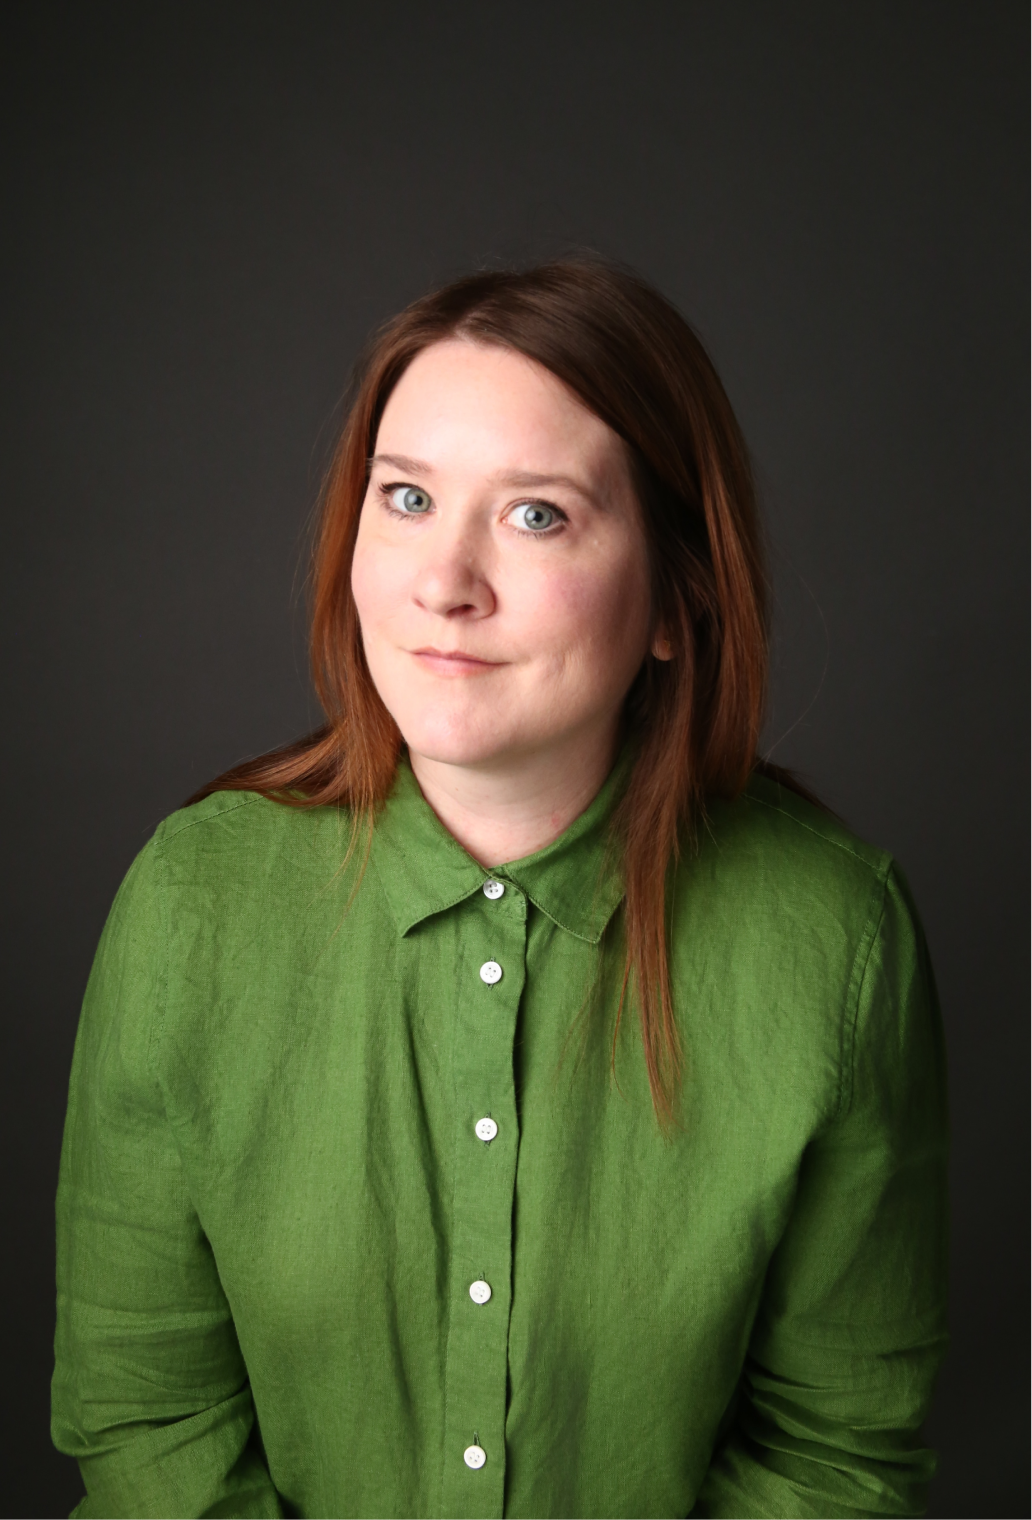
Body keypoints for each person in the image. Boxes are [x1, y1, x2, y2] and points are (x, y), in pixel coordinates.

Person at [52, 259, 948, 1519]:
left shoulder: (836, 941)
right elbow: (145, 1413)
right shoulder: (191, 902)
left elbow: (835, 1454)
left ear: (676, 599)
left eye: (538, 515)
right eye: (406, 497)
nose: (443, 581)